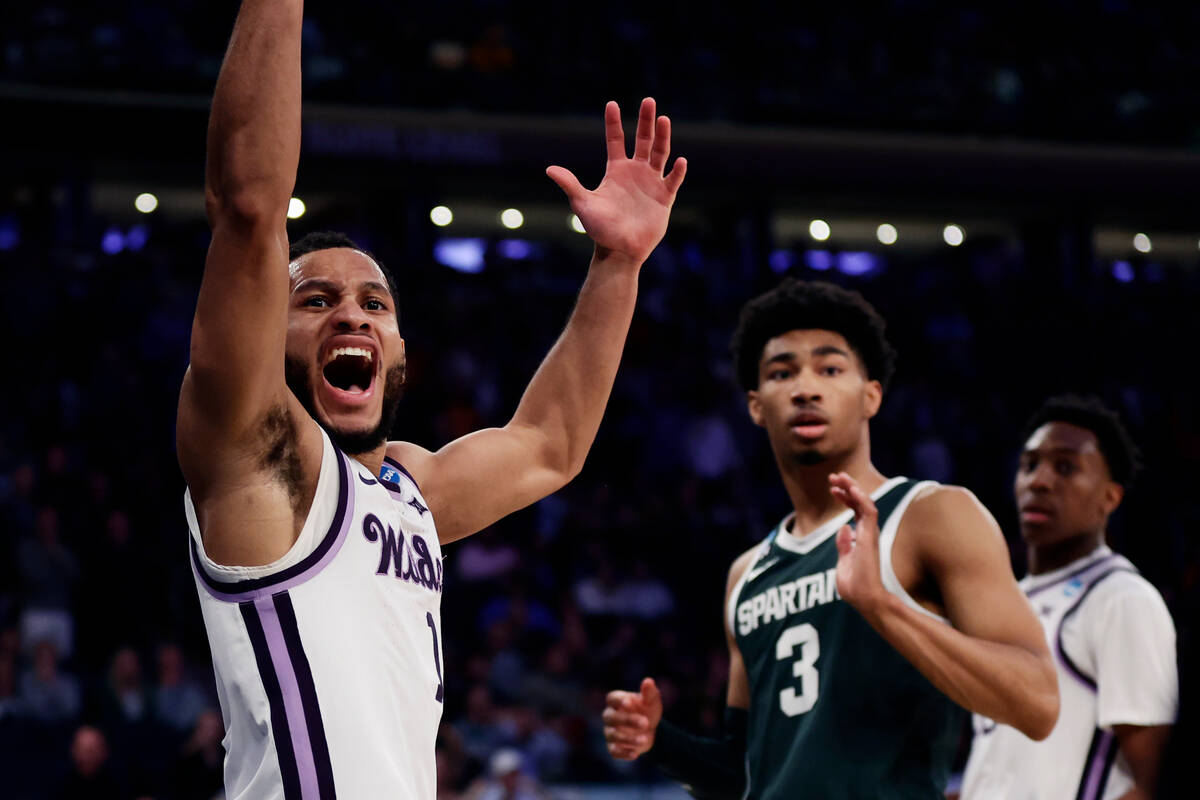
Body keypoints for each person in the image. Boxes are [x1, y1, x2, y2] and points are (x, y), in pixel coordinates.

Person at [176, 2, 686, 797]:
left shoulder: (412, 490)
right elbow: (248, 209)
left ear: (402, 354)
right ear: (264, 342)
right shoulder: (259, 457)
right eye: (315, 301)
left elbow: (550, 443)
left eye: (376, 304)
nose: (351, 313)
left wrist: (617, 264)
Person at [601, 279, 1058, 798]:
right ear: (756, 405)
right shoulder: (746, 574)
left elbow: (1037, 704)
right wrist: (658, 742)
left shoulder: (932, 516)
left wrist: (883, 606)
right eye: (782, 373)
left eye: (830, 368)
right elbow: (745, 772)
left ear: (871, 396)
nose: (806, 388)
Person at [960, 395, 1177, 799]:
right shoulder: (1004, 603)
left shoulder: (1121, 599)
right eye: (1028, 465)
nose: (1038, 481)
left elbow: (1151, 783)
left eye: (1065, 467)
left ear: (1109, 499)